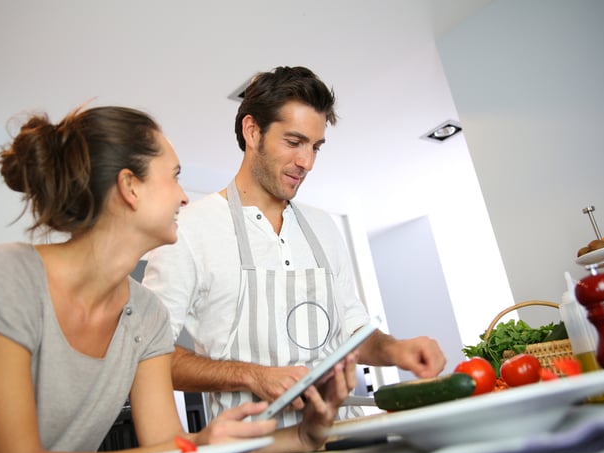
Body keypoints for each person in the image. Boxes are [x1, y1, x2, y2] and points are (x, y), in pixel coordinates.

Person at [0, 105, 357, 453]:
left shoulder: (145, 315)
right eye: (174, 177)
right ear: (130, 187)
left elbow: (170, 452)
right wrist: (195, 447)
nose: (185, 198)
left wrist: (302, 436)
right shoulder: (5, 275)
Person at [142, 66, 447, 427]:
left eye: (315, 147)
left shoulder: (323, 227)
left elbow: (353, 331)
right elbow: (149, 356)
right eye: (294, 142)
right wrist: (252, 376)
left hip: (344, 433)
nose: (307, 162)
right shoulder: (190, 231)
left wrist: (396, 350)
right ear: (252, 131)